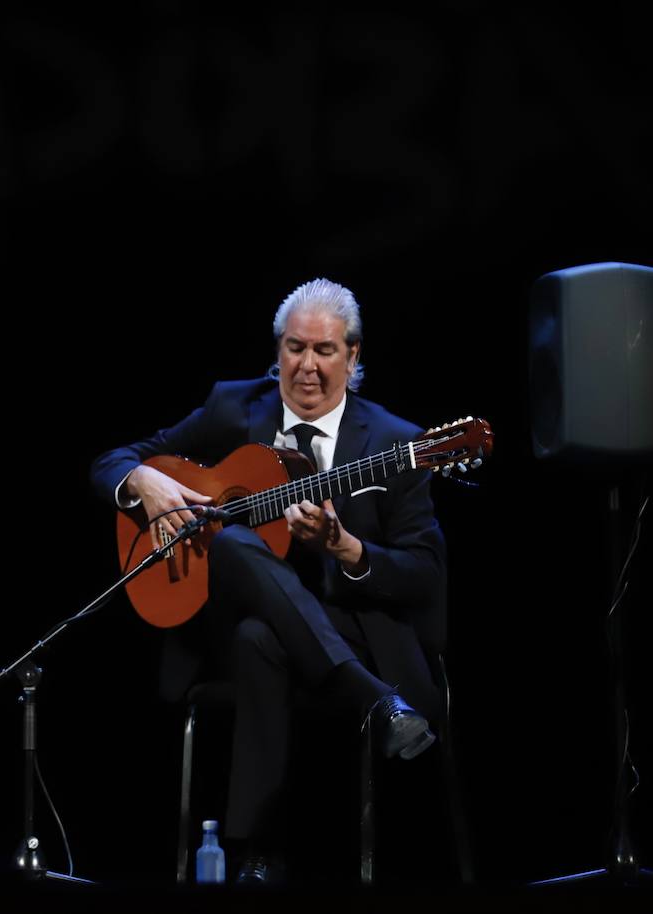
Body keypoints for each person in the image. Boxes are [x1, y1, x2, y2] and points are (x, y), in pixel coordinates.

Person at [90, 278, 446, 884]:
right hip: (215, 623)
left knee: (262, 637)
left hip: (347, 625)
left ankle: (256, 856)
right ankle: (376, 703)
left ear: (353, 356)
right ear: (277, 349)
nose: (306, 367)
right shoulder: (233, 407)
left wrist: (346, 547)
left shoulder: (394, 442)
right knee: (230, 540)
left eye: (324, 351)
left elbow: (425, 573)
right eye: (293, 348)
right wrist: (144, 482)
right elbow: (112, 461)